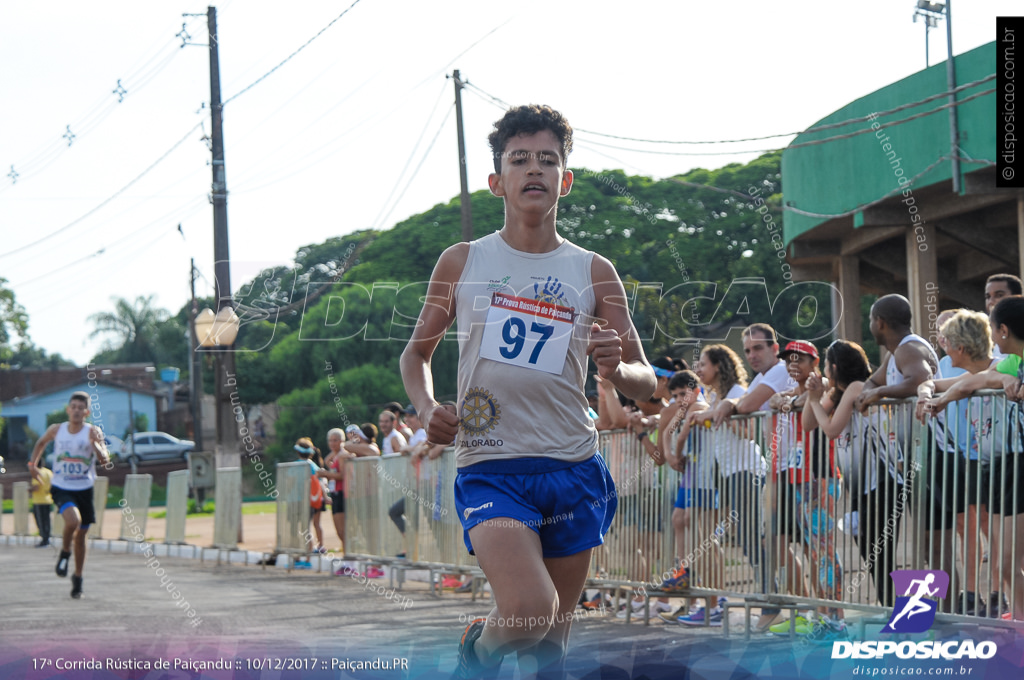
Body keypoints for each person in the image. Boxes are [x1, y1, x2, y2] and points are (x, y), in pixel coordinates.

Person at [400, 104, 655, 679]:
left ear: (565, 179)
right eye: (519, 160)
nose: (533, 169)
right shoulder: (463, 261)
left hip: (572, 466)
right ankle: (480, 652)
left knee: (549, 652)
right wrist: (426, 409)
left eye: (547, 160)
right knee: (527, 611)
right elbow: (416, 354)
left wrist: (617, 368)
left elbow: (648, 381)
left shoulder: (593, 270)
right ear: (498, 181)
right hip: (492, 466)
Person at [855, 294, 940, 606]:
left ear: (880, 323)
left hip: (929, 450)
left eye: (870, 320)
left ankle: (940, 611)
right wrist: (868, 392)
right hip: (911, 455)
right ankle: (926, 611)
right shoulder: (895, 353)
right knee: (923, 540)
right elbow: (871, 381)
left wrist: (878, 393)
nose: (869, 325)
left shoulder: (908, 348)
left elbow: (920, 379)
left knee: (929, 541)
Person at [707, 324, 792, 631]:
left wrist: (728, 404)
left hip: (796, 469)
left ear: (775, 347)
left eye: (758, 348)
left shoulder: (780, 372)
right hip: (776, 469)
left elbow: (745, 407)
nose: (752, 355)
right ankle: (781, 604)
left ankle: (787, 606)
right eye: (747, 350)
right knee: (773, 540)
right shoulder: (762, 378)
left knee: (793, 542)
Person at [916, 310, 1001, 616]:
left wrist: (940, 398)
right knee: (986, 536)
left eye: (946, 339)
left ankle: (999, 600)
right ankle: (993, 604)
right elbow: (938, 385)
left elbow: (987, 379)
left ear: (962, 346)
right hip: (972, 457)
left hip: (1004, 462)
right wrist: (928, 393)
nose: (941, 345)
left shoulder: (1002, 366)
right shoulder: (966, 372)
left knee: (1004, 549)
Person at [805, 340, 902, 609]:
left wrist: (814, 399)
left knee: (880, 555)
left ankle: (903, 614)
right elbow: (808, 423)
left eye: (826, 365)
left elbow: (831, 429)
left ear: (834, 367)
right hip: (863, 486)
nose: (824, 370)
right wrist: (813, 395)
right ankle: (893, 610)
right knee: (872, 554)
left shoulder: (859, 387)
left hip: (884, 481)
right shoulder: (841, 393)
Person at [28, 391, 110, 598]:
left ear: (87, 412)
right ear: (68, 409)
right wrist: (32, 465)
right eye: (73, 407)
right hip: (62, 487)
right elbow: (40, 443)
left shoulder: (92, 432)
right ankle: (65, 551)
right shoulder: (57, 430)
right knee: (73, 521)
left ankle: (78, 577)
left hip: (84, 489)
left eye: (80, 408)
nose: (76, 411)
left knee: (82, 536)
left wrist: (95, 445)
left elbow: (105, 460)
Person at [321, 428, 353, 552]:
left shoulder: (342, 456)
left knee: (342, 530)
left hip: (341, 493)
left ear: (341, 441)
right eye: (330, 441)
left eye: (335, 440)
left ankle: (349, 559)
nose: (332, 443)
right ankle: (347, 558)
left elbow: (341, 475)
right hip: (335, 493)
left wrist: (326, 474)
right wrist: (335, 450)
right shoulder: (336, 455)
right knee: (339, 531)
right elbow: (326, 461)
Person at [295, 437, 328, 555]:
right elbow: (321, 482)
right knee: (317, 523)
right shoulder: (313, 465)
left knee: (306, 525)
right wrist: (325, 496)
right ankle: (321, 546)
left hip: (305, 500)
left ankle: (309, 547)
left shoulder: (296, 466)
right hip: (318, 499)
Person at [30, 460, 54, 547]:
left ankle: (44, 539)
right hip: (48, 499)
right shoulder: (48, 472)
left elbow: (37, 487)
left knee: (40, 521)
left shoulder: (36, 473)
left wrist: (29, 489)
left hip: (39, 500)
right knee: (47, 520)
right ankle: (47, 537)